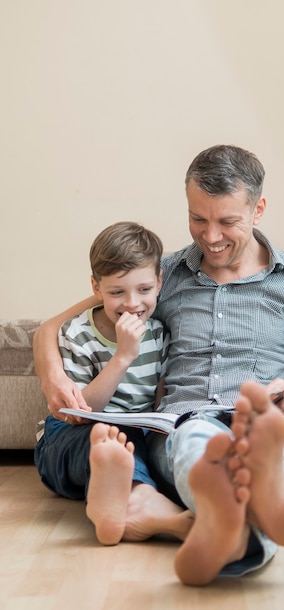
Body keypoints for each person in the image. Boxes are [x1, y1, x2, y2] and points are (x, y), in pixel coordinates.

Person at [33, 145, 284, 585]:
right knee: (200, 443)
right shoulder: (167, 273)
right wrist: (55, 375)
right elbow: (54, 325)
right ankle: (245, 508)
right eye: (198, 219)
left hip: (270, 421)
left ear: (259, 210)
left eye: (227, 221)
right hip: (188, 420)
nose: (210, 236)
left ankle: (239, 511)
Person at [34, 221, 194, 546]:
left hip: (135, 436)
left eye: (144, 290)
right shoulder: (77, 334)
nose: (132, 303)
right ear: (96, 287)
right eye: (117, 292)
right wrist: (122, 357)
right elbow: (81, 412)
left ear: (159, 282)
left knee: (134, 444)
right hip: (70, 436)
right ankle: (142, 502)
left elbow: (158, 400)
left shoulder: (160, 334)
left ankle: (122, 503)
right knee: (104, 439)